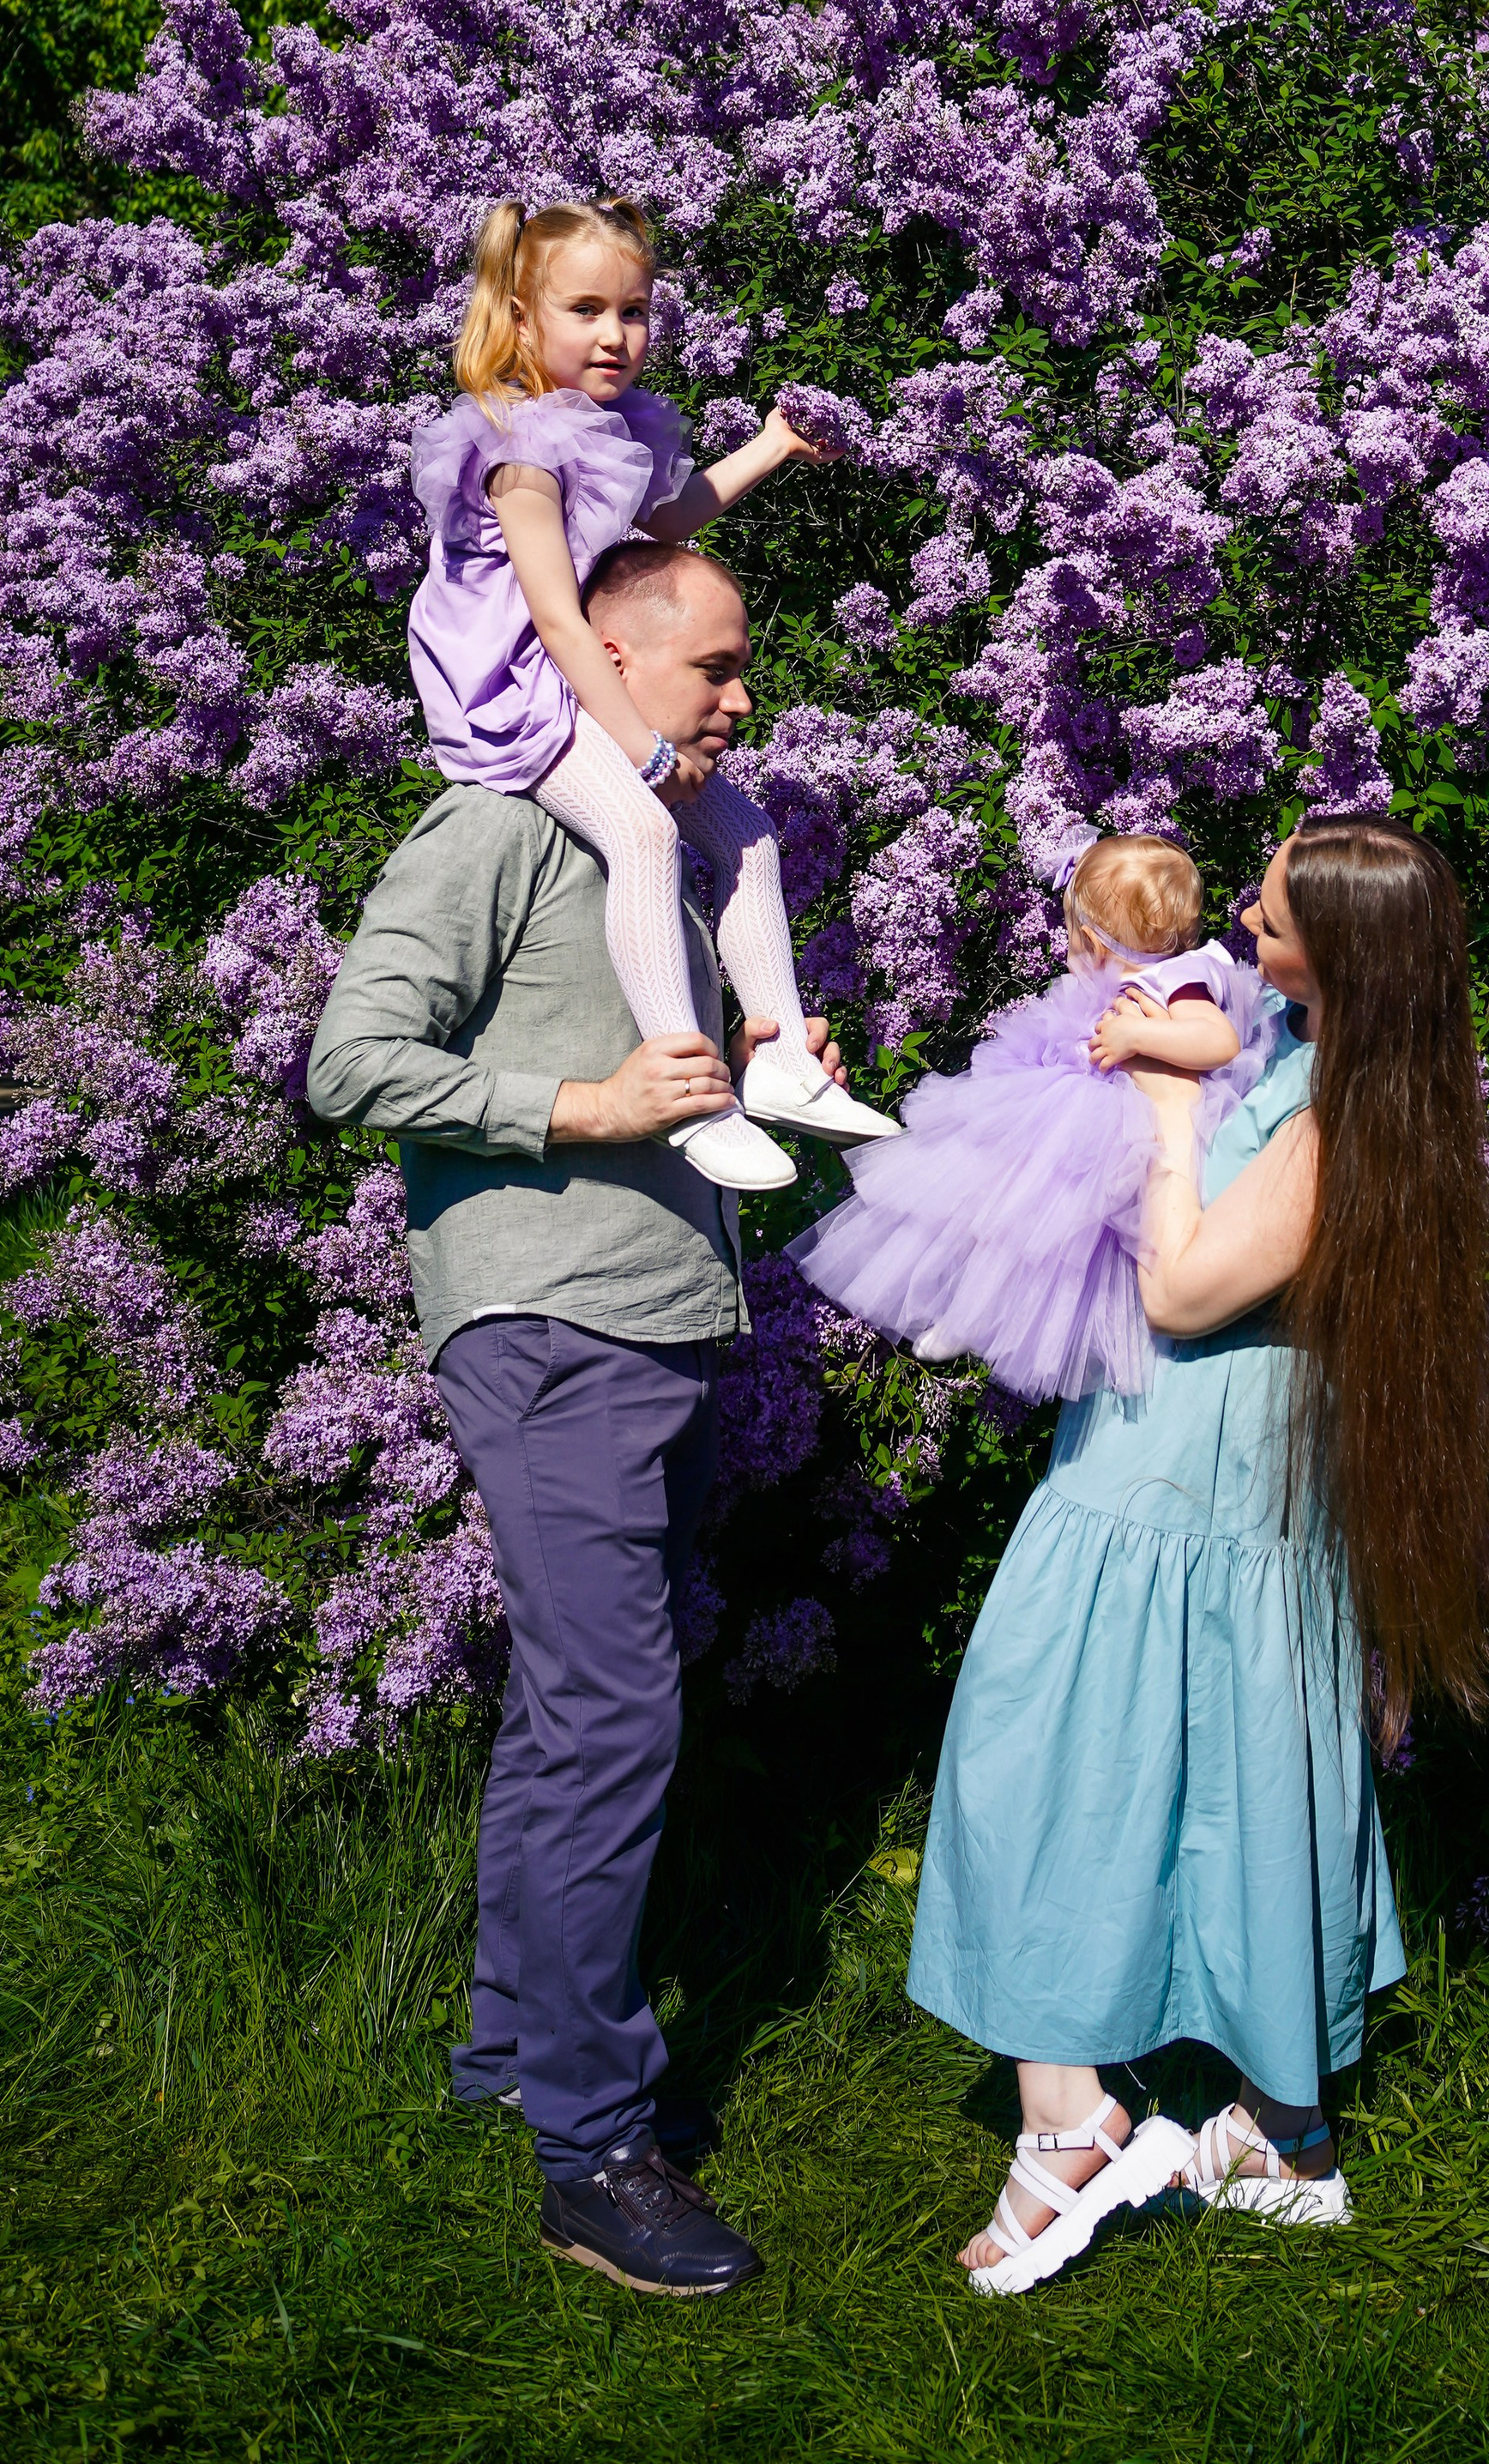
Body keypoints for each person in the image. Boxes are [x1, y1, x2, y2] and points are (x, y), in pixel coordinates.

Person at [308, 543, 841, 2298]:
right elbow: (351, 1061)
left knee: (570, 1713)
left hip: (657, 1322)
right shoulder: (494, 829)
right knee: (612, 1719)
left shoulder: (675, 849)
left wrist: (783, 1067)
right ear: (605, 653)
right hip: (545, 1324)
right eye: (713, 669)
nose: (740, 698)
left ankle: (507, 2051)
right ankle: (595, 2150)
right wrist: (585, 1103)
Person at [902, 815, 1489, 2294]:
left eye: (1270, 910)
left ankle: (1074, 2125)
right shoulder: (1330, 1065)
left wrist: (1173, 1101)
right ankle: (1281, 2137)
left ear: (1341, 954)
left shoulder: (1340, 1118)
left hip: (1176, 1479)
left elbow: (1180, 1290)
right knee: (1249, 1787)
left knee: (1031, 1759)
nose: (1239, 917)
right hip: (1234, 1488)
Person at [406, 191, 899, 1192]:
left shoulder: (611, 428)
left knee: (747, 836)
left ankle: (783, 1067)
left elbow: (669, 520)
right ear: (518, 322)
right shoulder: (518, 455)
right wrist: (638, 744)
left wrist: (773, 445)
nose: (615, 334)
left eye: (633, 312)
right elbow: (554, 617)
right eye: (585, 310)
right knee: (644, 832)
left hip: (585, 676)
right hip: (518, 690)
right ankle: (691, 1096)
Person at [787, 833, 1276, 1404]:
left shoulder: (1179, 978)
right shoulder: (1129, 974)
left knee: (1052, 1235)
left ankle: (976, 1316)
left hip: (1117, 1124)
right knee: (988, 1189)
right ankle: (961, 1305)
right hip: (1071, 1098)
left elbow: (1215, 1041)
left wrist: (1138, 1033)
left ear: (1091, 943)